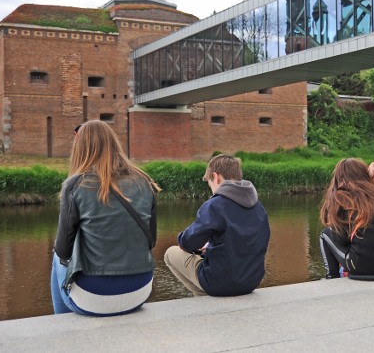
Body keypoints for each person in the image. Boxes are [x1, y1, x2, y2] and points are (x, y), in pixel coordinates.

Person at [51, 120, 160, 316]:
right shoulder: (144, 182)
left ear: (80, 149)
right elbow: (151, 240)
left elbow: (63, 251)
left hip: (94, 297)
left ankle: (62, 326)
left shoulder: (75, 186)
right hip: (140, 291)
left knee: (56, 258)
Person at [164, 154, 270, 296]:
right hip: (251, 281)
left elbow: (188, 242)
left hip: (220, 283)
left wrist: (184, 239)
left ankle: (202, 298)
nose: (212, 190)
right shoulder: (258, 207)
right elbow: (249, 240)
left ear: (216, 177)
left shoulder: (215, 205)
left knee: (170, 254)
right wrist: (211, 246)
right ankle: (206, 298)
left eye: (210, 184)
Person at [319, 158, 374, 279]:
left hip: (362, 267)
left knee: (325, 234)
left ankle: (331, 278)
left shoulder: (342, 198)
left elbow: (340, 239)